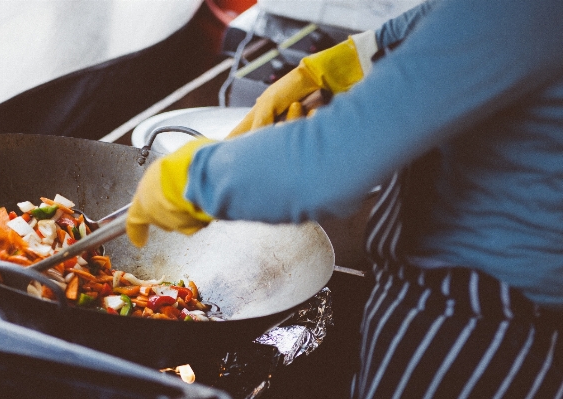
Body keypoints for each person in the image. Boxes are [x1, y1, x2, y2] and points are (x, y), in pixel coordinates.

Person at [125, 0, 563, 397]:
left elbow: (329, 164)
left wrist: (192, 177)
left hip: (478, 325)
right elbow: (456, 19)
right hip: (478, 308)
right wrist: (360, 55)